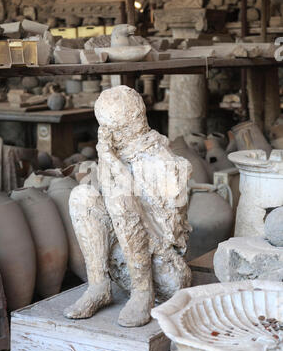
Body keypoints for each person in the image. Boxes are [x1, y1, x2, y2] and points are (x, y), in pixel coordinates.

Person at [64, 85, 192, 327]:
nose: (106, 135)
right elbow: (102, 202)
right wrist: (108, 160)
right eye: (103, 128)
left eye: (112, 129)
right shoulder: (114, 152)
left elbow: (161, 230)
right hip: (122, 252)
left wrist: (112, 162)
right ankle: (98, 286)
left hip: (161, 266)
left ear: (131, 125)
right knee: (82, 195)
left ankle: (142, 292)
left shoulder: (162, 161)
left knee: (121, 201)